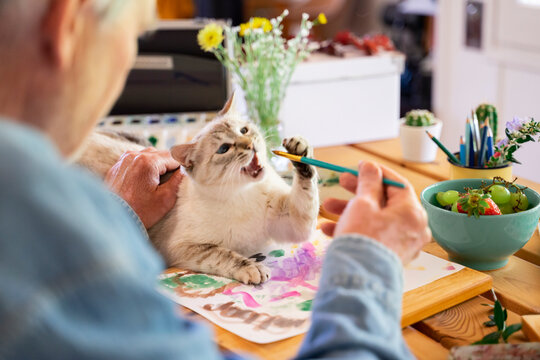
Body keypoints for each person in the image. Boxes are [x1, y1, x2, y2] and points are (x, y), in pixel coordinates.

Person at [0, 1, 431, 359]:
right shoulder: (54, 241)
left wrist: (118, 214)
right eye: (132, 39)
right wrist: (370, 262)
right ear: (67, 26)